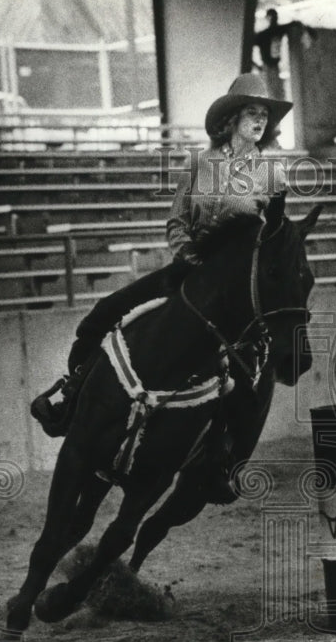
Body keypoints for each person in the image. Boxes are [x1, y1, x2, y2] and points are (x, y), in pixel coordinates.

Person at [31, 73, 292, 436]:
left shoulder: (273, 175)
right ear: (232, 119)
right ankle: (71, 395)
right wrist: (188, 256)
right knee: (104, 313)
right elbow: (177, 221)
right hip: (187, 272)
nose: (261, 120)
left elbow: (275, 237)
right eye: (253, 112)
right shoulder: (199, 164)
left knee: (247, 372)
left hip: (233, 291)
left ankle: (224, 458)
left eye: (265, 114)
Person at [252, 8, 317, 102]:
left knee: (278, 94)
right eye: (271, 18)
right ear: (267, 19)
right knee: (270, 94)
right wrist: (257, 67)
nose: (273, 20)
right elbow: (247, 46)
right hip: (267, 67)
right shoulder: (263, 35)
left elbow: (295, 24)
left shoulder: (278, 30)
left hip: (274, 67)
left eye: (275, 17)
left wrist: (308, 31)